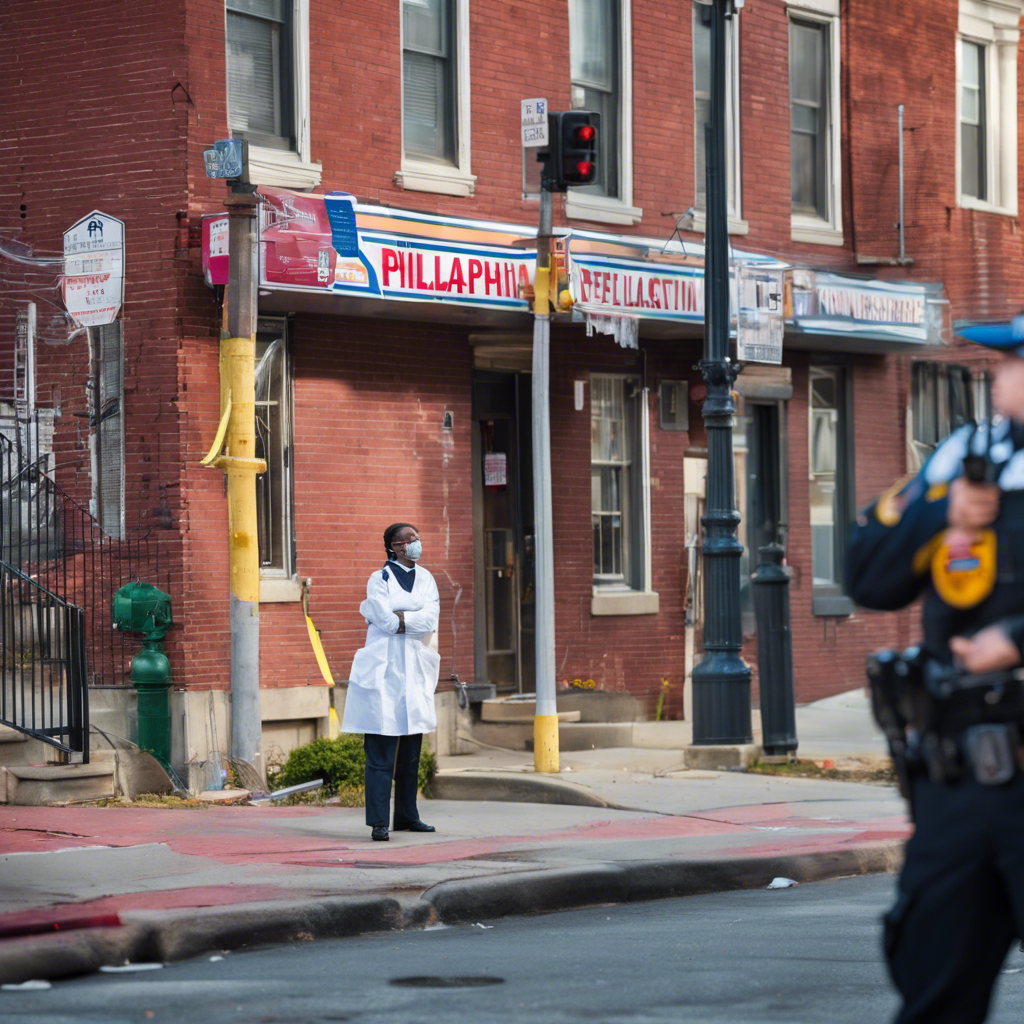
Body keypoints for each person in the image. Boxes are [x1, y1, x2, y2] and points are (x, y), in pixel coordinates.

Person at [847, 327, 1024, 1024]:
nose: (1003, 375)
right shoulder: (967, 457)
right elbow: (870, 576)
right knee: (933, 977)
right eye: (1005, 361)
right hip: (962, 780)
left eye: (1016, 362)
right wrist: (938, 516)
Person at [342, 523, 441, 842]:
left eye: (417, 538)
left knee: (411, 750)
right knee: (382, 750)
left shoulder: (426, 578)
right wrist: (404, 621)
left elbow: (431, 619)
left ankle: (407, 816)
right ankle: (378, 822)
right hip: (384, 670)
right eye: (409, 540)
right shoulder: (379, 578)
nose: (416, 544)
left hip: (414, 665)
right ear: (395, 547)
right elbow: (383, 620)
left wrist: (402, 620)